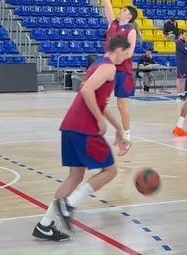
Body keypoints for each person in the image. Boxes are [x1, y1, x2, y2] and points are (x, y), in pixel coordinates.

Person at [33, 36, 131, 242]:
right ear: (120, 50)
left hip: (71, 125)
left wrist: (118, 128)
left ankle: (44, 224)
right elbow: (85, 90)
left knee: (75, 176)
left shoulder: (97, 64)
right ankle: (69, 204)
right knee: (110, 170)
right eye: (128, 52)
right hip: (85, 128)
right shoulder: (109, 68)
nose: (128, 57)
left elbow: (99, 101)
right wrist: (99, 120)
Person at [96, 0, 138, 142]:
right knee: (98, 99)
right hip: (107, 69)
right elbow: (105, 0)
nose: (122, 11)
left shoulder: (131, 30)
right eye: (122, 9)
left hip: (122, 70)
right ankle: (100, 128)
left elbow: (130, 52)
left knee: (121, 104)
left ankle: (126, 135)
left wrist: (116, 59)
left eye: (126, 11)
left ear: (129, 16)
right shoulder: (112, 23)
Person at [175, 29, 187, 99]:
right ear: (181, 34)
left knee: (184, 78)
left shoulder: (184, 42)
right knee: (180, 78)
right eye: (185, 34)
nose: (186, 36)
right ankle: (179, 93)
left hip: (185, 62)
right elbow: (185, 51)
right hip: (181, 62)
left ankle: (183, 92)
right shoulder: (179, 42)